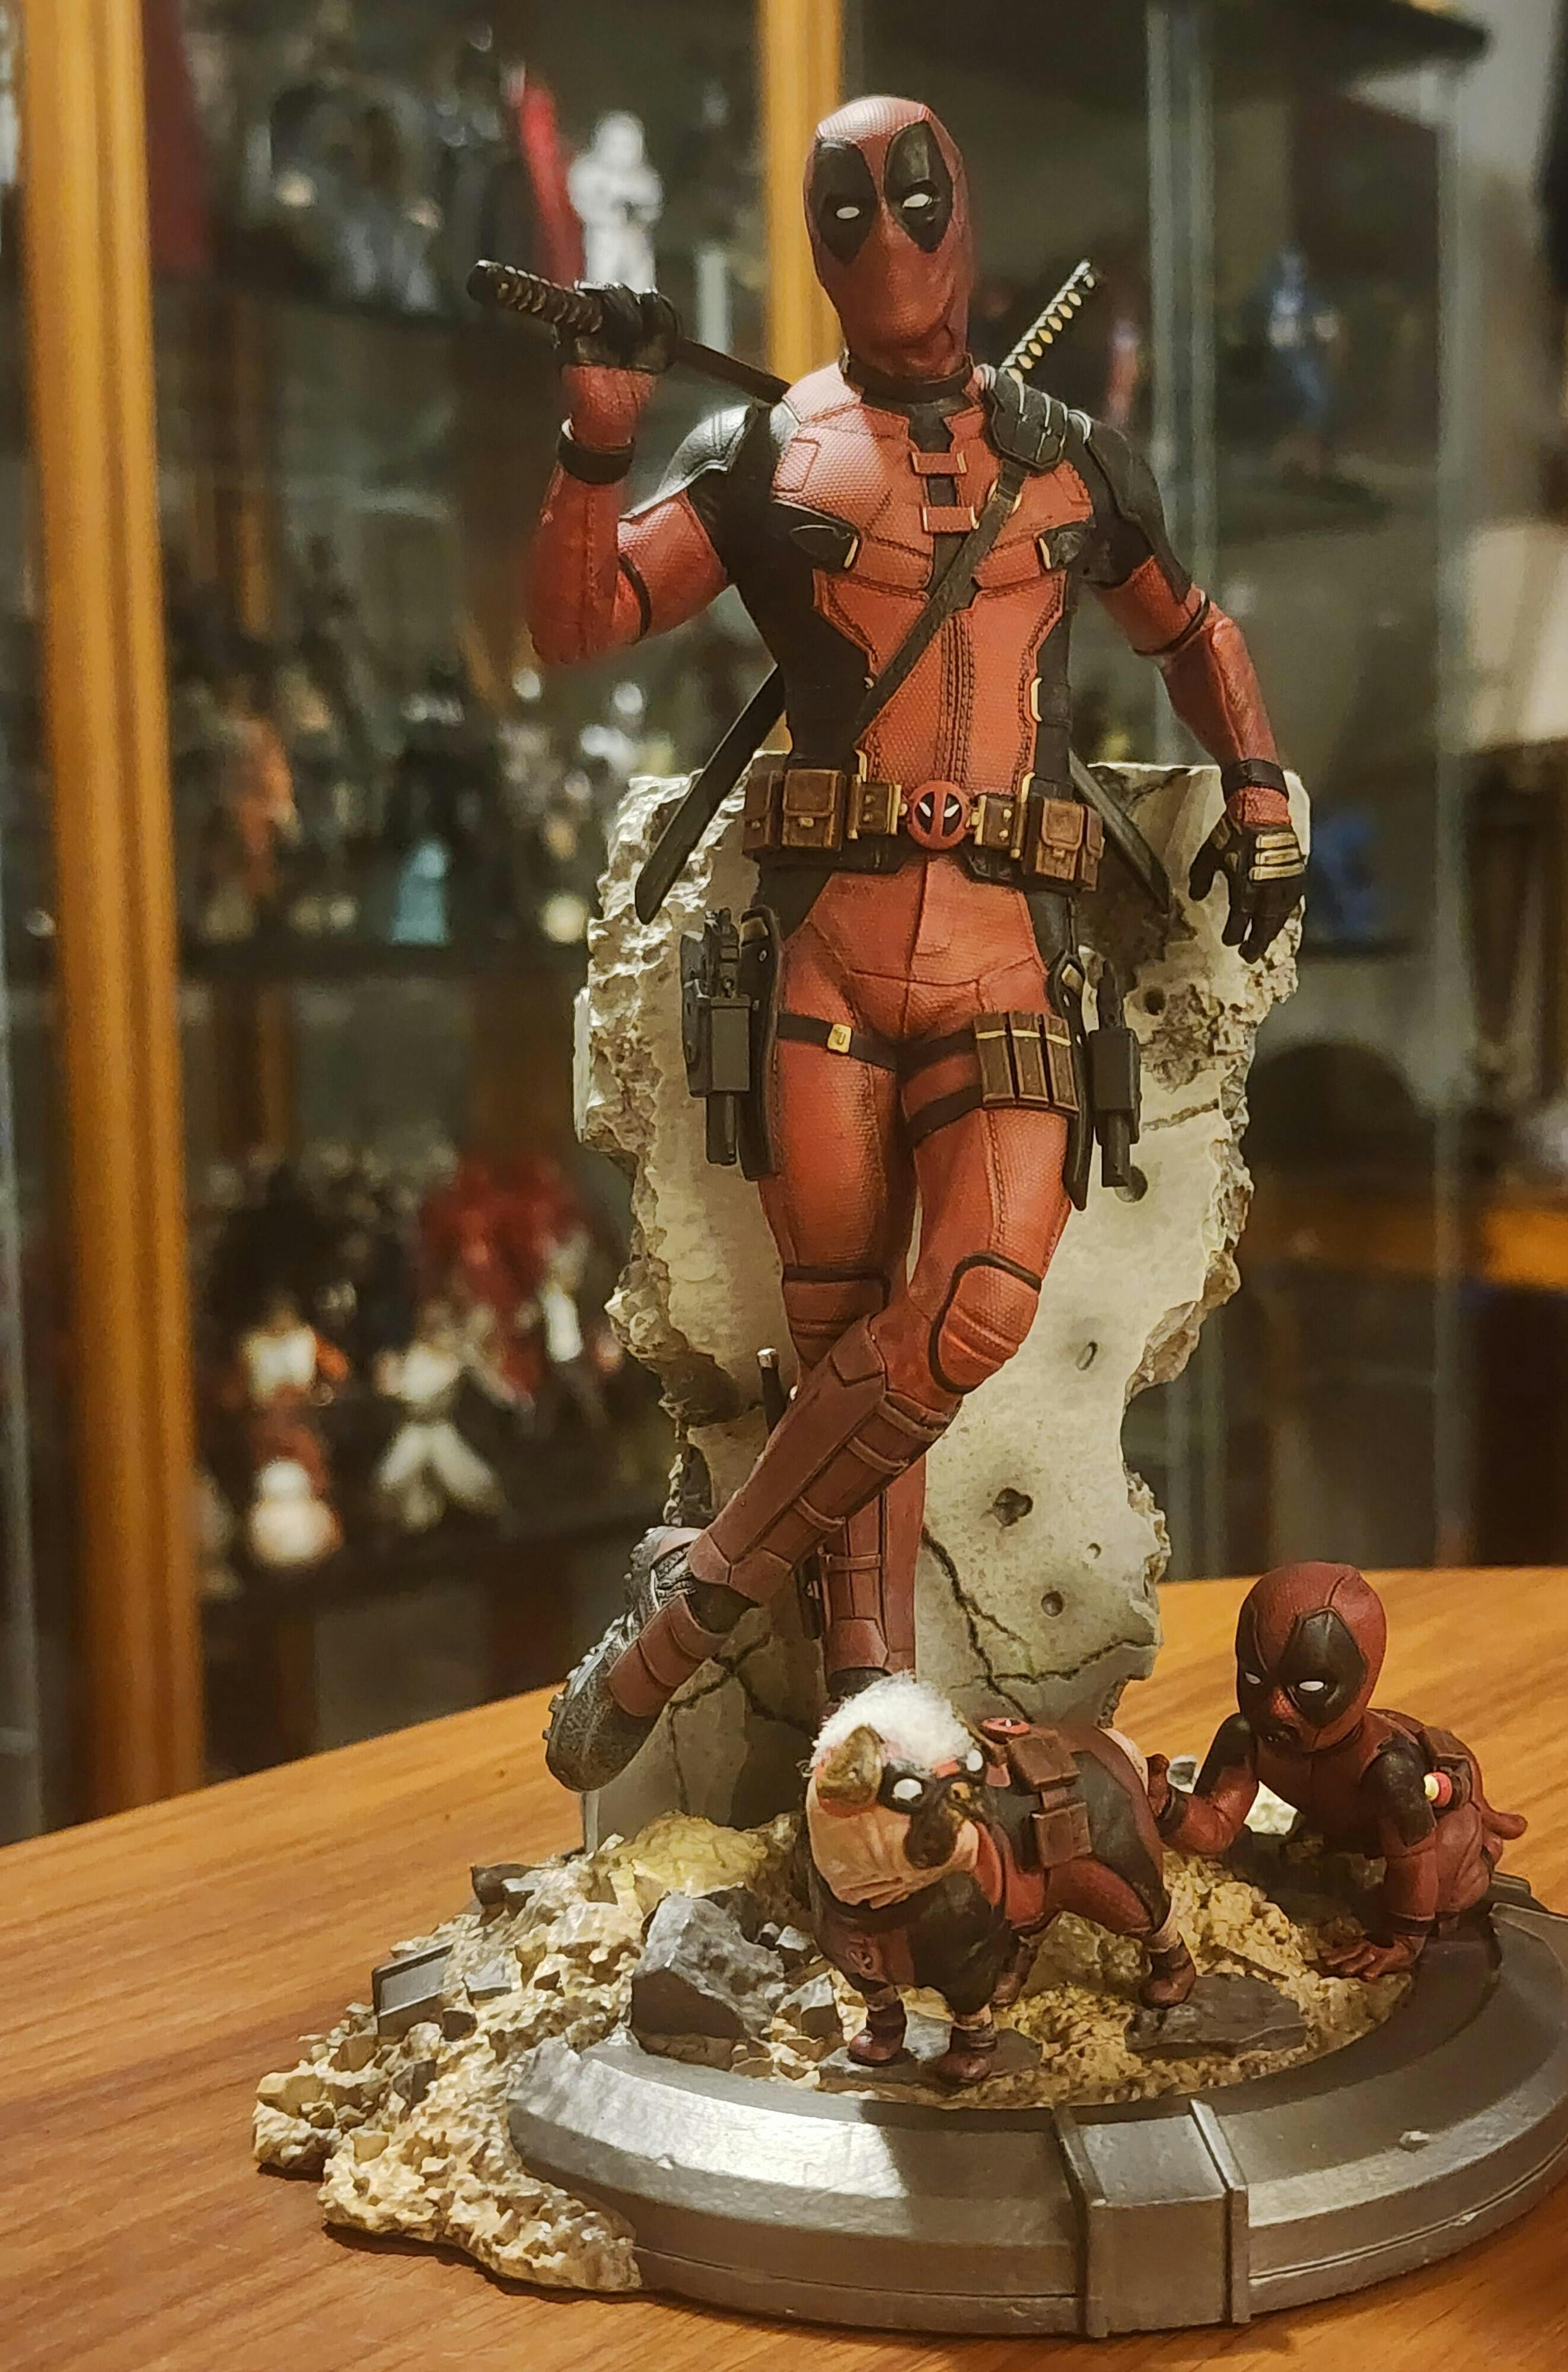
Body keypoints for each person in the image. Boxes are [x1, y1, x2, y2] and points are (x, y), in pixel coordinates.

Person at [527, 96, 1304, 1792]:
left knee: (969, 1309)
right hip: (824, 959)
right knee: (840, 1338)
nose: (888, 235)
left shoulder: (1072, 459)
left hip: (1010, 959)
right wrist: (597, 437)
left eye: (916, 194)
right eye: (848, 207)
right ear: (813, 242)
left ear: (969, 208)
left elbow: (1192, 630)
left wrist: (1256, 787)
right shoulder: (758, 451)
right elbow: (581, 620)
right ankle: (866, 1711)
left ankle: (691, 1612)